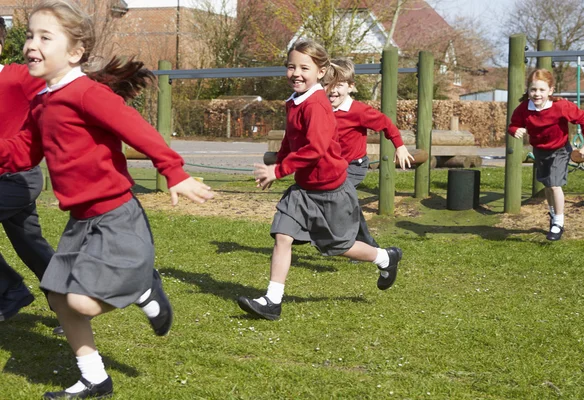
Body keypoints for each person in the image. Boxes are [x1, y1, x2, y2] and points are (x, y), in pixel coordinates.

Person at [0, 1, 214, 398]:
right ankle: (94, 377)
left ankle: (144, 287)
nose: (32, 44)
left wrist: (174, 171)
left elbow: (137, 129)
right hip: (80, 220)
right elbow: (23, 153)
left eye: (45, 37)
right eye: (30, 35)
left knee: (80, 302)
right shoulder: (42, 103)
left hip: (115, 215)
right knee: (60, 298)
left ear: (75, 52)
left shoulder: (86, 93)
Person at [237, 39, 402, 321]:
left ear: (321, 72)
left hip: (331, 190)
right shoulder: (294, 102)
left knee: (339, 247)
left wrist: (278, 171)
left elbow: (315, 149)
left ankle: (385, 257)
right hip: (303, 189)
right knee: (282, 236)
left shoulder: (316, 105)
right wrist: (278, 163)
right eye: (291, 67)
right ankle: (272, 301)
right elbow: (291, 140)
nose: (296, 73)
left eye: (304, 67)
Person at [323, 57, 414, 247]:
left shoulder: (358, 111)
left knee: (339, 197)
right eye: (327, 84)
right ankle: (362, 244)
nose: (333, 90)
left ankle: (359, 243)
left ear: (350, 86)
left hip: (353, 166)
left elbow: (386, 124)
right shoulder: (322, 109)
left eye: (338, 85)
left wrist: (400, 146)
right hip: (333, 166)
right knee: (344, 202)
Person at [0, 16, 56, 323]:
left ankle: (10, 290)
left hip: (18, 178)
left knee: (31, 244)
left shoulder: (17, 77)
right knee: (31, 246)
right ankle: (70, 306)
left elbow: (59, 86)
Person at [508, 68, 584, 241]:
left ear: (550, 90)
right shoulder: (524, 108)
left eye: (541, 90)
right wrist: (515, 130)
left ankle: (559, 223)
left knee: (554, 184)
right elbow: (513, 124)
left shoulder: (561, 106)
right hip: (540, 150)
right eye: (533, 90)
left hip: (560, 149)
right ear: (528, 90)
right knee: (547, 184)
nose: (537, 94)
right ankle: (553, 213)